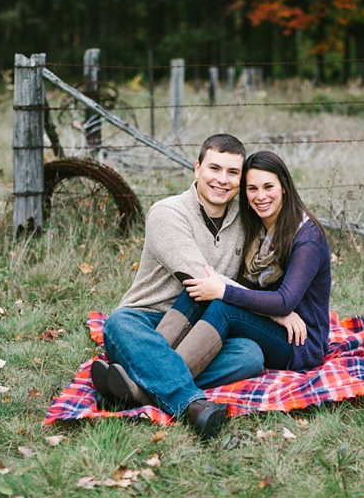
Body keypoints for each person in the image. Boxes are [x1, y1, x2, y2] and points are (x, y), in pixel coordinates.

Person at [99, 151, 331, 440]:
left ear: (284, 185)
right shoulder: (256, 228)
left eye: (268, 187)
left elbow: (285, 301)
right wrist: (225, 293)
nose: (260, 196)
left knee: (223, 305)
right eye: (252, 188)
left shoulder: (306, 236)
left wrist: (232, 294)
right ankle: (157, 383)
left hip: (300, 340)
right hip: (267, 328)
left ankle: (139, 383)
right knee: (209, 307)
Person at [92, 135, 266, 440]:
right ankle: (193, 406)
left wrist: (284, 304)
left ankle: (135, 389)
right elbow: (200, 279)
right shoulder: (167, 213)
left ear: (241, 179)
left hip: (203, 328)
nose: (222, 180)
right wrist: (274, 309)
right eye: (214, 168)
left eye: (232, 172)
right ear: (197, 168)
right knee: (118, 323)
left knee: (250, 355)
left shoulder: (246, 220)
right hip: (147, 321)